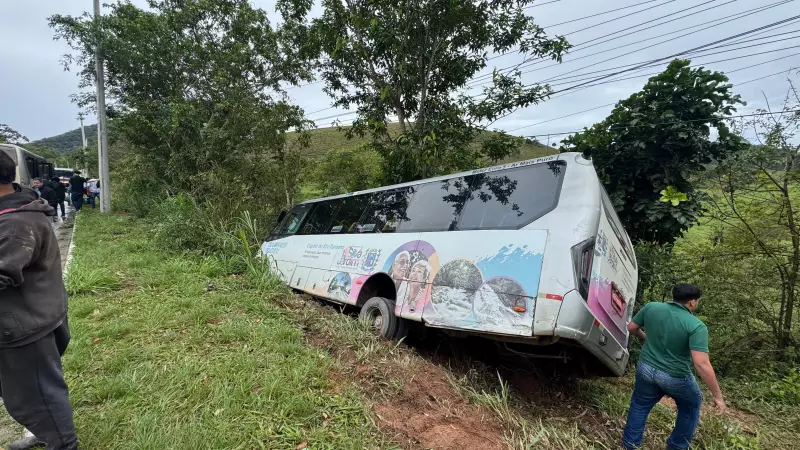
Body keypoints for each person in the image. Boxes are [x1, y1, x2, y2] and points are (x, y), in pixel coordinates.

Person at [0, 151, 78, 450]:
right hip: (30, 316)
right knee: (24, 390)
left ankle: (63, 443)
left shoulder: (14, 224)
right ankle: (45, 435)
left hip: (27, 324)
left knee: (39, 394)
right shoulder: (20, 209)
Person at [623, 283, 726, 450]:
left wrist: (645, 338)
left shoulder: (651, 307)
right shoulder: (696, 326)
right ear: (692, 302)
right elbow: (701, 364)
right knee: (690, 406)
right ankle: (676, 446)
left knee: (639, 405)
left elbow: (632, 328)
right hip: (675, 377)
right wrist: (717, 396)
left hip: (646, 369)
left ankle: (630, 445)